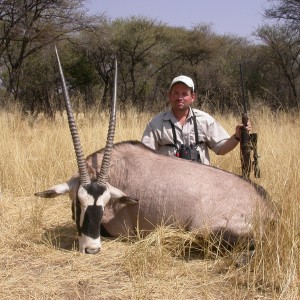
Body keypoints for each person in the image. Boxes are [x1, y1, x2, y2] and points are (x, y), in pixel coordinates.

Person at [141, 75, 250, 165]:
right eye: (176, 93)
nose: (180, 98)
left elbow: (221, 149)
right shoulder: (155, 124)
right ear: (169, 96)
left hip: (201, 183)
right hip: (168, 184)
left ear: (193, 97)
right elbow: (143, 156)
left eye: (184, 94)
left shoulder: (205, 120)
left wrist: (237, 136)